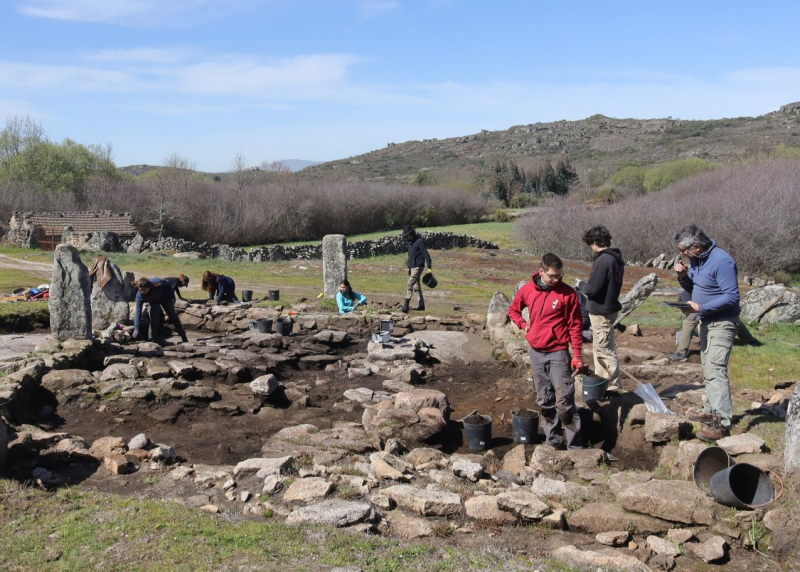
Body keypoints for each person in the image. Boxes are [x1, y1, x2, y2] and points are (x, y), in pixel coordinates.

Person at [508, 253, 585, 449]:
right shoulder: (527, 290)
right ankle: (553, 441)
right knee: (545, 400)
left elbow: (575, 326)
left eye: (559, 276)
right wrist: (524, 325)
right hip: (536, 351)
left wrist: (576, 355)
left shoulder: (567, 294)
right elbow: (513, 310)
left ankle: (575, 446)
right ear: (541, 271)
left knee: (565, 400)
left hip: (558, 352)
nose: (556, 280)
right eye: (552, 276)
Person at [674, 224, 740, 442]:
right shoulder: (697, 261)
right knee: (707, 367)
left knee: (716, 369)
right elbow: (695, 287)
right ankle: (710, 410)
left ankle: (721, 423)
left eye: (684, 251)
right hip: (706, 321)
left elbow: (732, 297)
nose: (682, 255)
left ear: (696, 246)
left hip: (722, 321)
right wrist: (682, 276)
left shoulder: (722, 261)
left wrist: (701, 308)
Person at [577, 226, 625, 391]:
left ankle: (613, 385)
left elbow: (592, 289)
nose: (591, 247)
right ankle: (601, 382)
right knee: (603, 346)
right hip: (609, 309)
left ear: (595, 241)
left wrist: (580, 284)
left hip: (601, 311)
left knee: (603, 349)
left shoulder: (603, 260)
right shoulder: (615, 258)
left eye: (591, 243)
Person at [669, 290, 762, 361]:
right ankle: (752, 341)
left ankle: (680, 353)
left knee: (689, 322)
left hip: (706, 304)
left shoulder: (686, 294)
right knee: (733, 321)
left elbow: (690, 314)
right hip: (721, 302)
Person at [133, 277, 188, 344]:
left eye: (144, 290)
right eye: (140, 290)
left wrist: (172, 295)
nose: (142, 292)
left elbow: (167, 283)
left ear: (149, 287)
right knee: (154, 319)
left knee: (172, 316)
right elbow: (138, 312)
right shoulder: (139, 296)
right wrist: (136, 329)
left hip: (165, 297)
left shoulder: (156, 282)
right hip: (154, 302)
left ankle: (183, 335)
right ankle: (152, 339)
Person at [401, 225, 432, 313]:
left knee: (409, 283)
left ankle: (406, 304)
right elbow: (410, 257)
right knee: (416, 287)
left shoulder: (419, 242)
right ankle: (421, 305)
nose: (406, 238)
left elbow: (426, 254)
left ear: (411, 234)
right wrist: (409, 269)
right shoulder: (410, 243)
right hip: (412, 267)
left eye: (407, 236)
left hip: (418, 267)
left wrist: (429, 267)